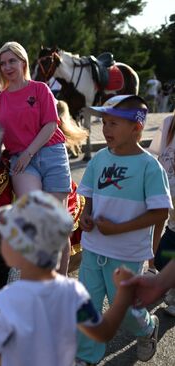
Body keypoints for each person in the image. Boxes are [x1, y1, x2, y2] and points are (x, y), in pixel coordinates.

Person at [0, 190, 137, 366]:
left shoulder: (2, 303)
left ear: (16, 251)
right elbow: (103, 332)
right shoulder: (73, 294)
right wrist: (123, 296)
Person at [75, 94, 172, 365]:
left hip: (126, 254)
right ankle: (86, 356)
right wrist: (86, 214)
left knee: (128, 310)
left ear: (136, 128)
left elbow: (160, 212)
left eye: (113, 124)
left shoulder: (149, 167)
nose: (105, 130)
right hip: (93, 248)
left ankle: (147, 327)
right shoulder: (98, 159)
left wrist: (119, 229)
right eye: (104, 123)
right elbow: (89, 195)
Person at [0, 41, 72, 275]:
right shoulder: (0, 100)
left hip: (51, 153)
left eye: (12, 61)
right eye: (2, 63)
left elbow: (51, 124)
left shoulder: (40, 89)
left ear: (23, 62)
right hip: (21, 162)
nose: (7, 67)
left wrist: (29, 152)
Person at [146, 109, 175, 315]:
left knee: (167, 254)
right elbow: (158, 157)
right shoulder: (169, 123)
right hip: (168, 201)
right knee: (163, 257)